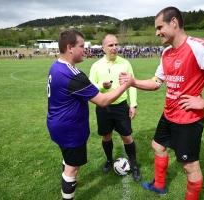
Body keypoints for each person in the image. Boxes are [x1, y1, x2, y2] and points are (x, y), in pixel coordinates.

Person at [119, 7, 204, 199]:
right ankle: (159, 186)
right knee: (157, 146)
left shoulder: (197, 47)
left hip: (188, 119)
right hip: (169, 113)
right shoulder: (166, 53)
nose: (156, 33)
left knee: (189, 166)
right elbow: (156, 83)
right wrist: (133, 82)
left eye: (159, 27)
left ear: (174, 23)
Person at [46, 30, 134, 200]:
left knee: (67, 159)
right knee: (73, 167)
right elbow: (102, 101)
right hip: (70, 129)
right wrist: (126, 85)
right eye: (81, 46)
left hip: (57, 123)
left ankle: (68, 178)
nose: (85, 50)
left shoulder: (56, 66)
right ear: (70, 47)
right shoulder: (73, 75)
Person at [89, 34, 142, 182]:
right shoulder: (96, 66)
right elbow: (91, 87)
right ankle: (109, 160)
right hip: (103, 107)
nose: (114, 48)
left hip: (121, 107)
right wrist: (101, 86)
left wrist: (133, 104)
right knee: (106, 136)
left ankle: (135, 165)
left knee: (127, 137)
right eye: (110, 45)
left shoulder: (125, 63)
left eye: (116, 45)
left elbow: (132, 85)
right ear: (103, 48)